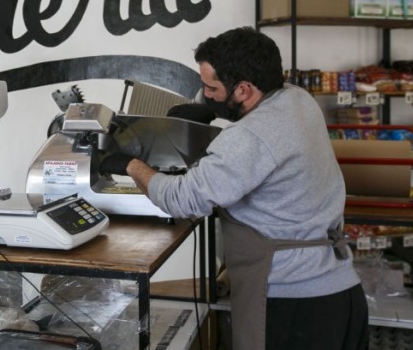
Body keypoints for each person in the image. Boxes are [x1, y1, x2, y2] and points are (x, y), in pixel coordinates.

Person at [101, 27, 368, 350]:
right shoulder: (298, 99)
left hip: (293, 307)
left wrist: (128, 164)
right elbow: (260, 153)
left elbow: (182, 198)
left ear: (243, 89)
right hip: (342, 294)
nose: (205, 95)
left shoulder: (251, 138)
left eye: (211, 88)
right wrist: (208, 124)